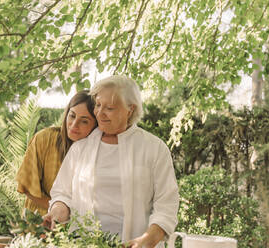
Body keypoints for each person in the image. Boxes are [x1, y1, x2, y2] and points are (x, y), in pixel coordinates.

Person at [43, 75, 179, 248]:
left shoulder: (155, 148)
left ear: (130, 109)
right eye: (98, 105)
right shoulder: (80, 149)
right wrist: (56, 213)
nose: (99, 113)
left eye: (110, 108)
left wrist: (147, 240)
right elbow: (63, 194)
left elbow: (166, 206)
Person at [16, 90, 97, 216]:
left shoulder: (99, 152)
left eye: (84, 121)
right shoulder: (45, 139)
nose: (74, 125)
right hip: (39, 221)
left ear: (95, 125)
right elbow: (27, 186)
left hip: (81, 226)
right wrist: (60, 211)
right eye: (72, 116)